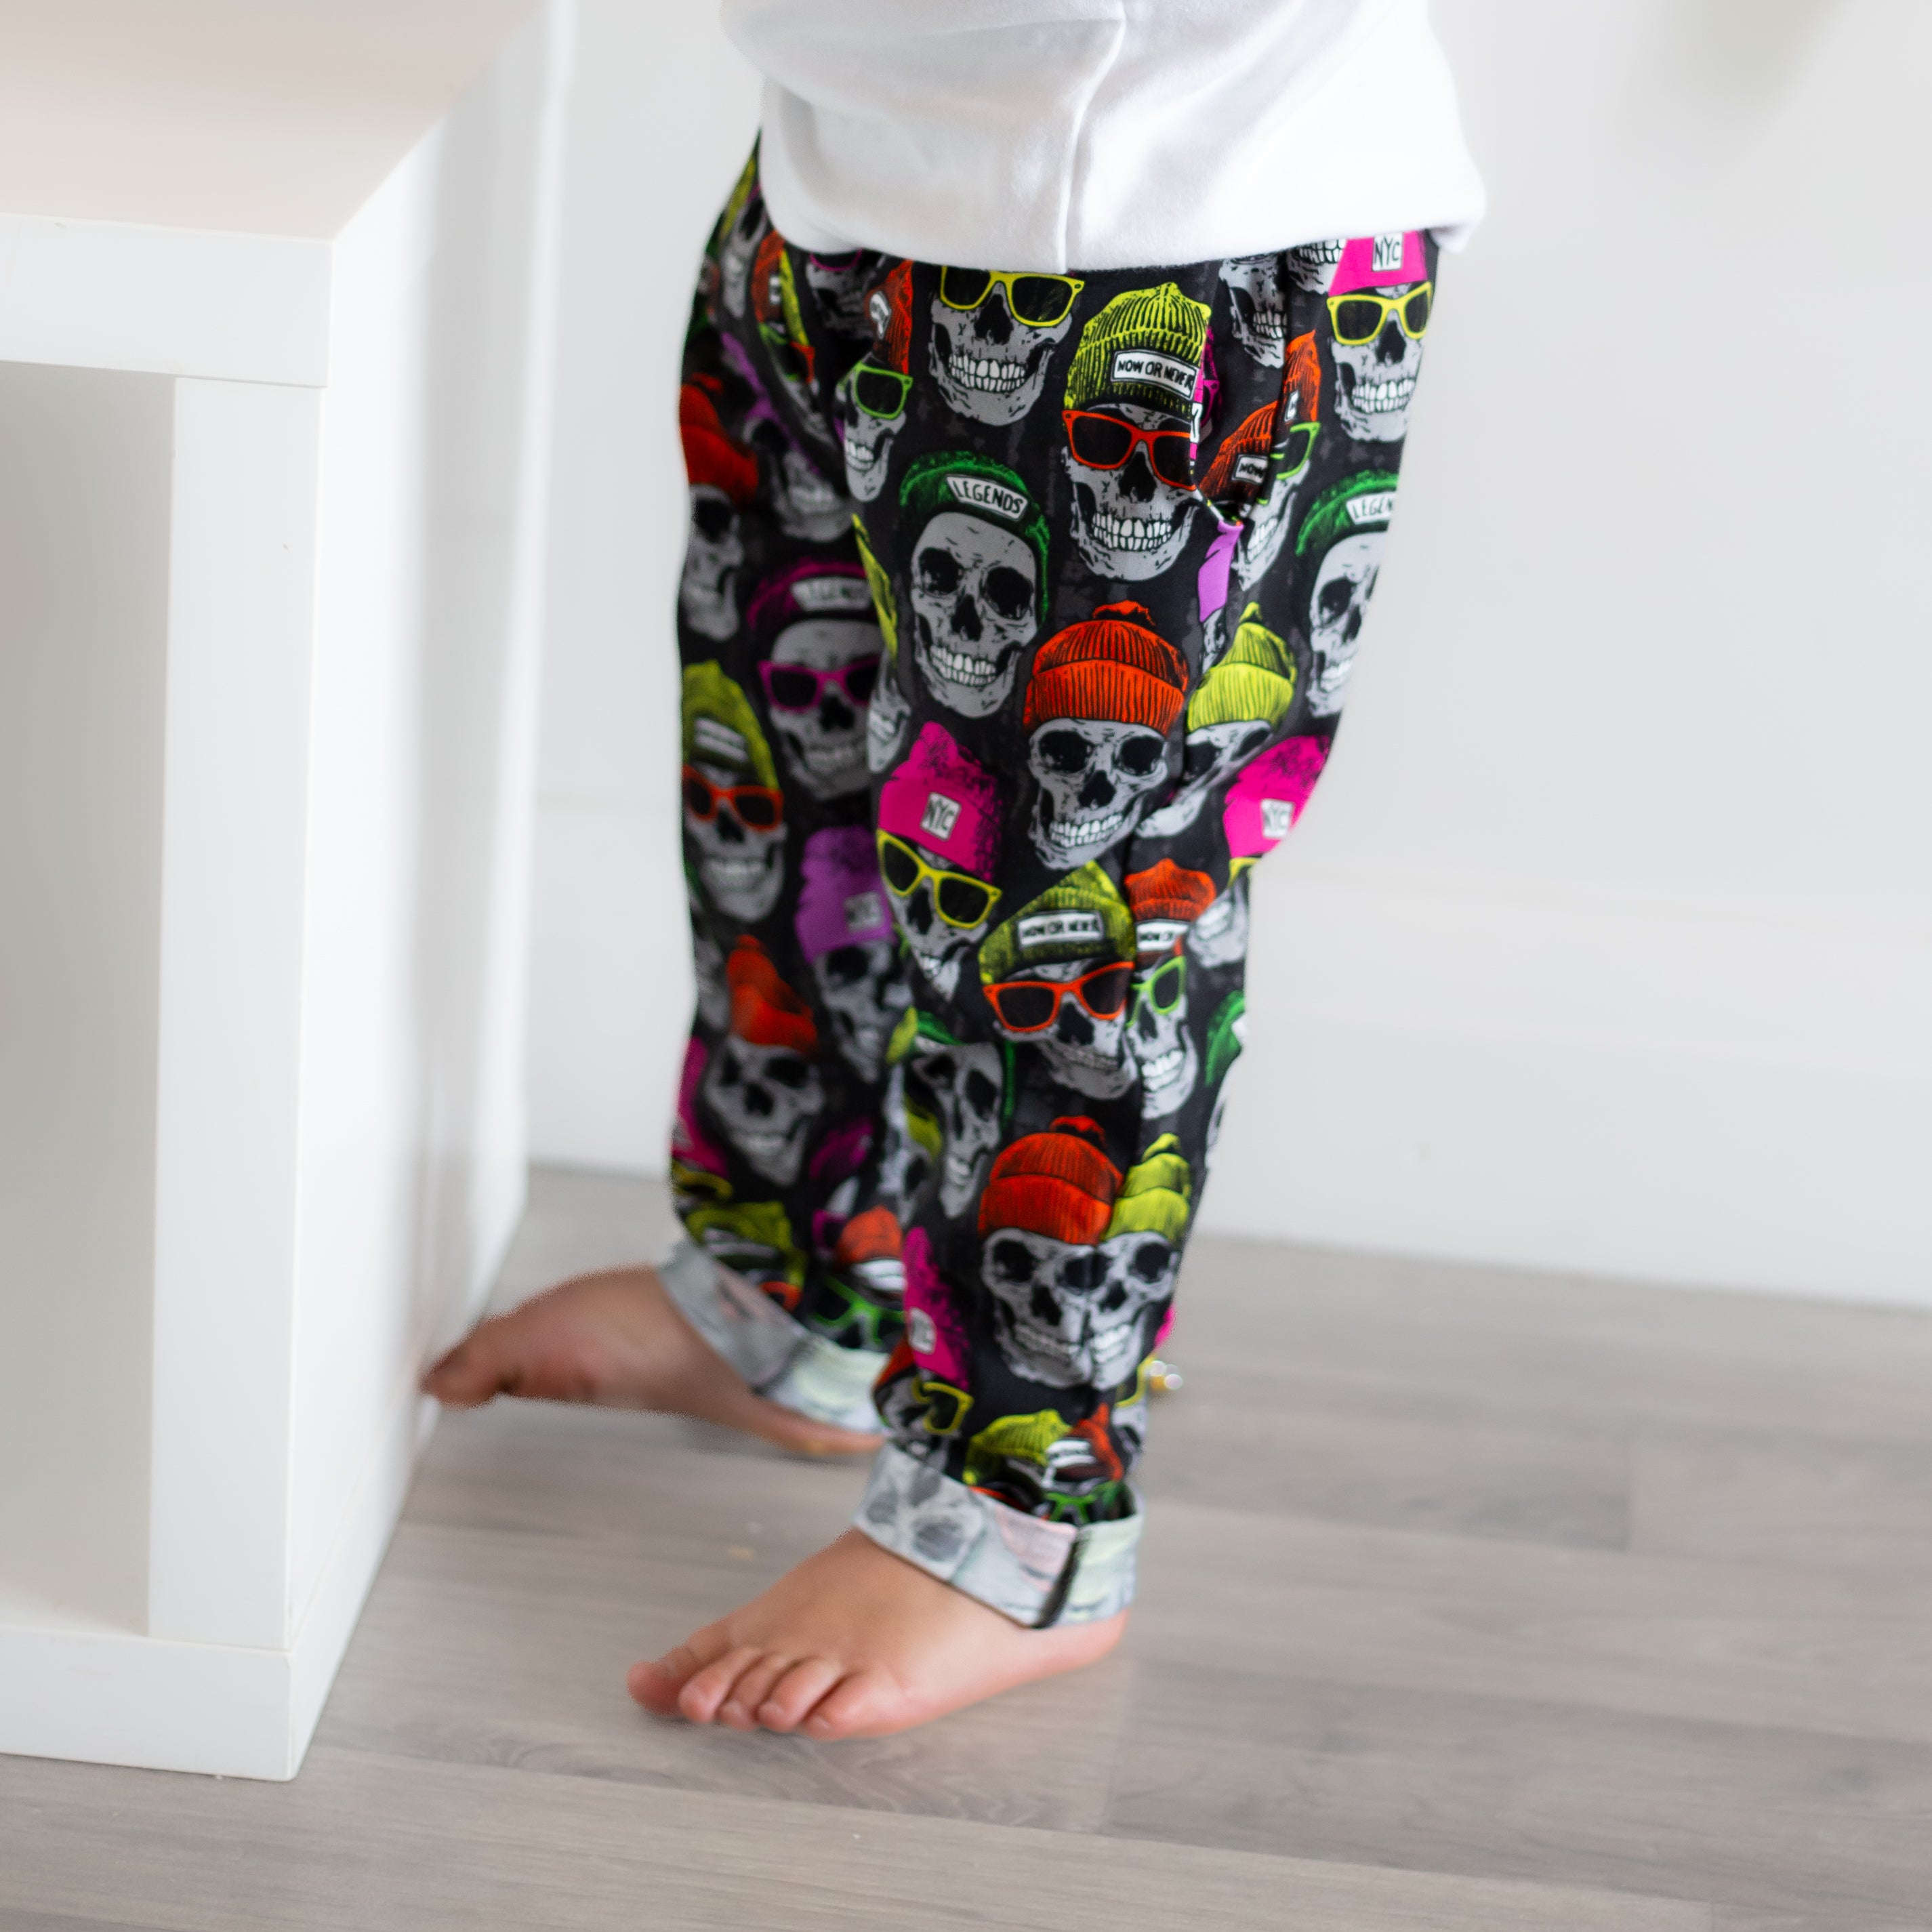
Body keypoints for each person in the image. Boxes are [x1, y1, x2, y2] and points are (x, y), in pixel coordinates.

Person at [426, 0, 1483, 1740]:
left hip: (1146, 235)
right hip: (844, 172)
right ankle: (791, 1295)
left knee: (1065, 912)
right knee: (795, 793)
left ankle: (1018, 1517)